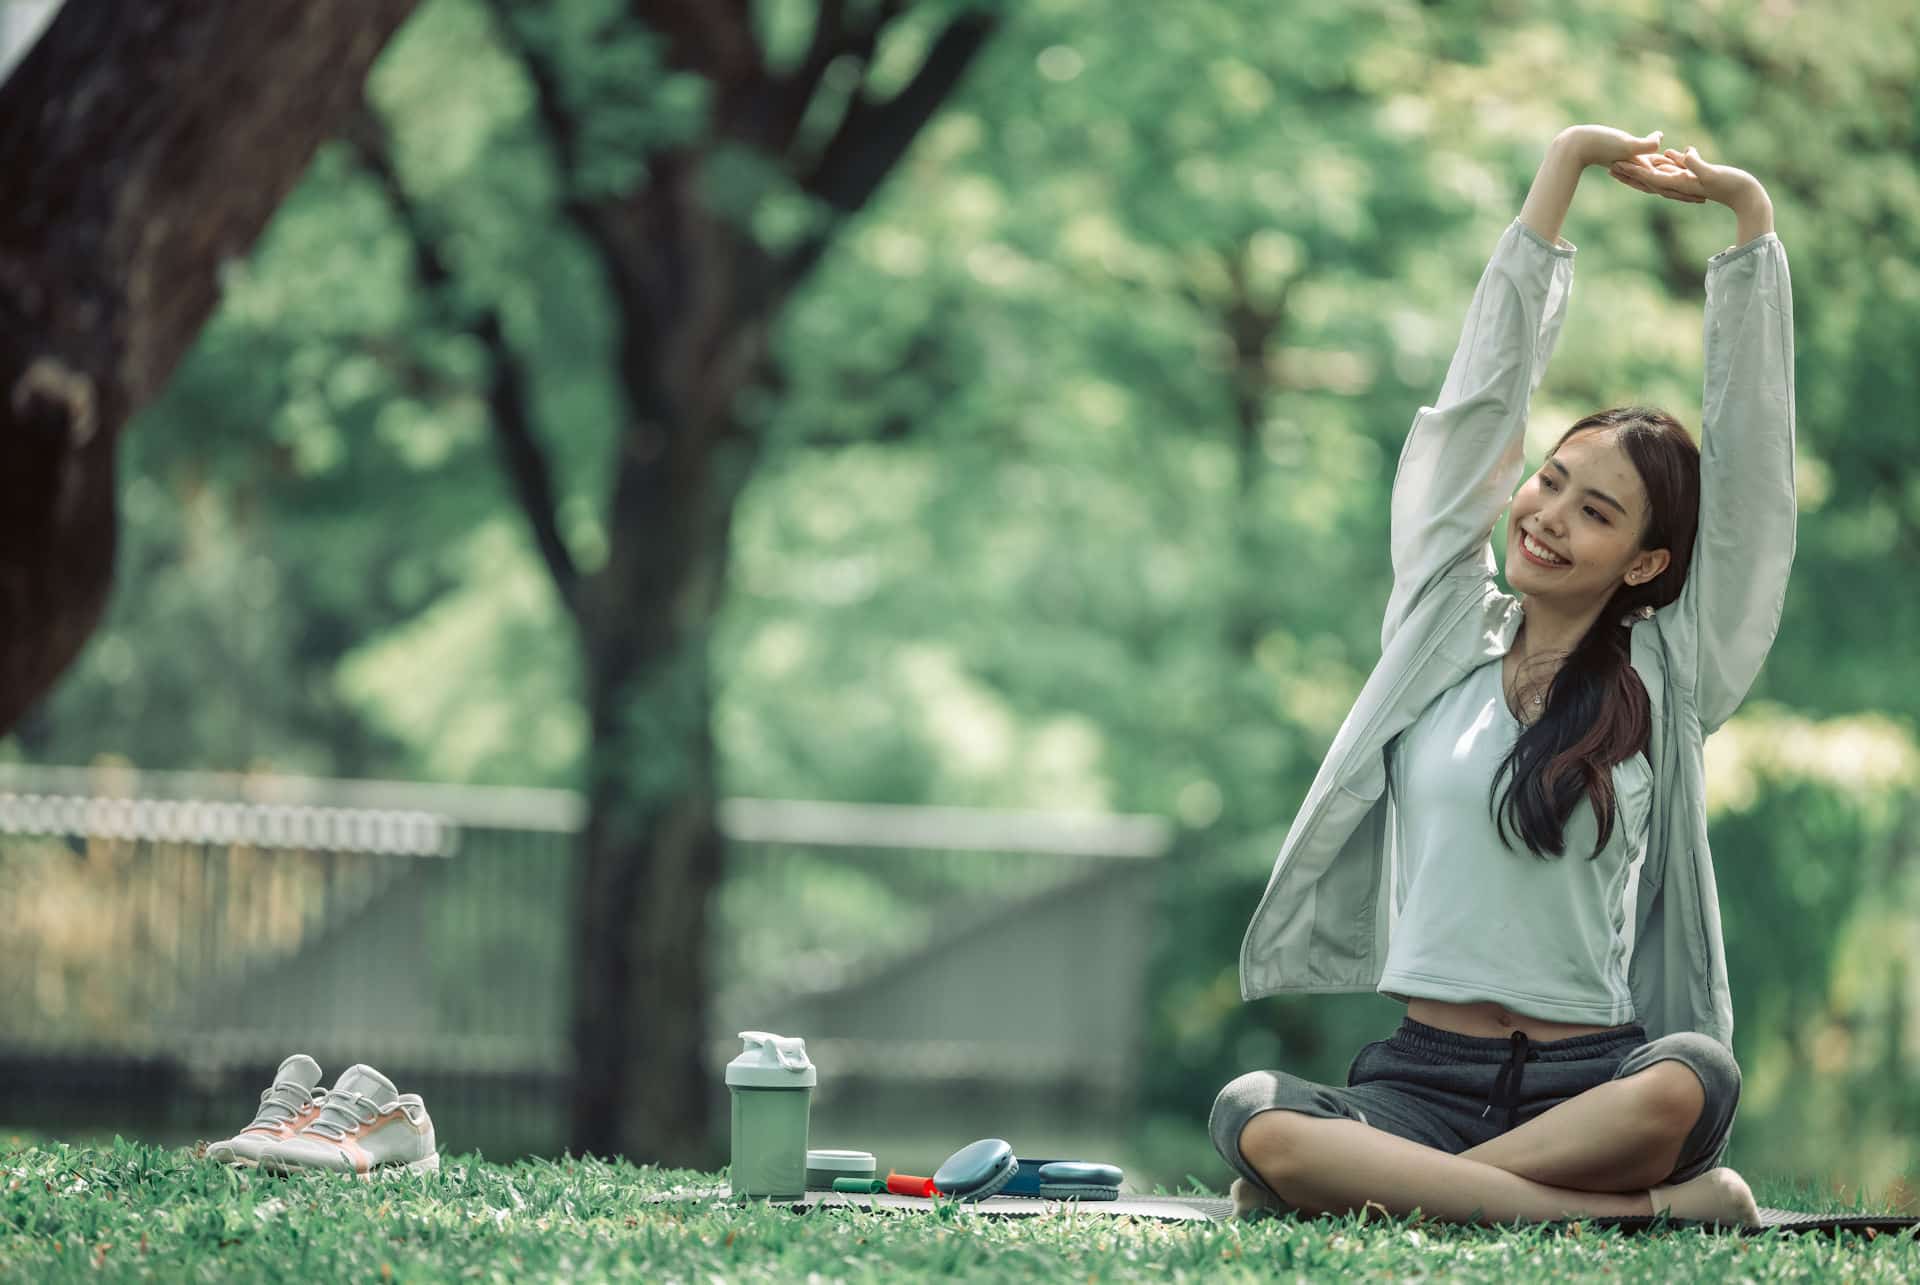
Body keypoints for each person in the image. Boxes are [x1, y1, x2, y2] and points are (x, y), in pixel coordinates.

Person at [1211, 124, 1795, 1228]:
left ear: (1651, 562)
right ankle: (1634, 1213)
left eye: (1599, 512)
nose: (1550, 515)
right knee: (1256, 1110)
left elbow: (1756, 494)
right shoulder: (1439, 630)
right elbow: (1474, 410)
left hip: (1597, 1080)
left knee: (1690, 1078)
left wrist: (1750, 228)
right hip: (1421, 1082)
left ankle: (1397, 1194)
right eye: (1552, 481)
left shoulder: (1670, 677)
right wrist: (1562, 169)